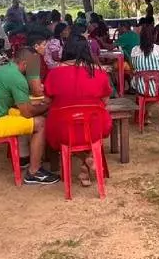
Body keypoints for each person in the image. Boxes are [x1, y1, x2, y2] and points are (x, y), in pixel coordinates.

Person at [0, 49, 58, 184]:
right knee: (40, 123)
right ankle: (34, 172)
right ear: (25, 64)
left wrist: (39, 104)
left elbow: (22, 103)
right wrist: (47, 106)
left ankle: (24, 157)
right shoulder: (17, 78)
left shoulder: (7, 70)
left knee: (26, 115)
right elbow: (27, 112)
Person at [43, 37, 112, 187]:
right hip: (95, 126)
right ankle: (87, 161)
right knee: (90, 133)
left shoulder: (54, 73)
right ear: (87, 51)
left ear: (66, 50)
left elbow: (47, 101)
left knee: (67, 135)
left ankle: (86, 163)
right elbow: (105, 101)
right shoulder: (98, 73)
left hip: (62, 129)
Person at [129, 20, 159, 99]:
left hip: (141, 89)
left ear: (140, 36)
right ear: (154, 36)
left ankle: (142, 107)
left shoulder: (134, 50)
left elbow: (132, 69)